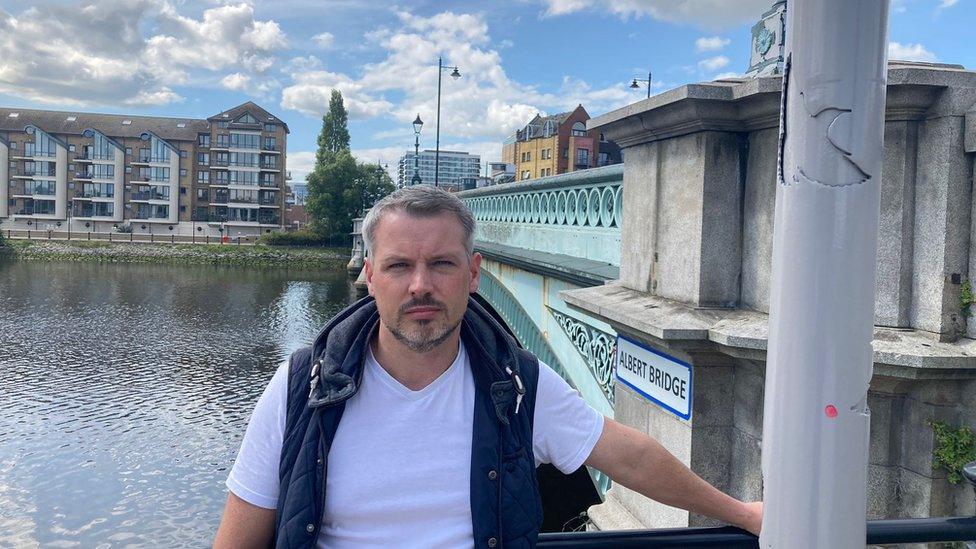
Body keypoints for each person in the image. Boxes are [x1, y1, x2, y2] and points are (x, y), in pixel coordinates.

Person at [214, 185, 762, 548]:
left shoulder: (517, 386)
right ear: (369, 276)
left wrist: (741, 513)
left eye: (442, 265)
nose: (421, 285)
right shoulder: (302, 387)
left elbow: (632, 457)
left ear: (474, 274)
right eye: (400, 266)